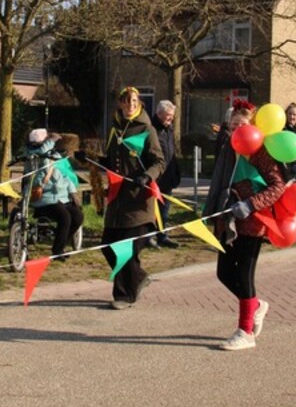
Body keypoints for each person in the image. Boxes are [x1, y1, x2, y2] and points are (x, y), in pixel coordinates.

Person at [203, 99, 285, 351]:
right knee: (224, 273)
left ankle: (245, 332)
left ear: (253, 127)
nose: (237, 130)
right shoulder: (228, 149)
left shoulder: (261, 152)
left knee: (244, 274)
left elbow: (278, 186)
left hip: (253, 221)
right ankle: (256, 305)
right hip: (228, 220)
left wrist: (251, 204)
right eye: (233, 126)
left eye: (242, 125)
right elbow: (219, 182)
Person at [94, 87, 165, 310]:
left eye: (134, 101)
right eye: (126, 101)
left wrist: (147, 176)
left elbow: (159, 162)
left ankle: (125, 295)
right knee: (108, 246)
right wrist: (90, 159)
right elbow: (112, 162)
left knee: (126, 250)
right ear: (121, 104)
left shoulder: (147, 129)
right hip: (117, 200)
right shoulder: (115, 129)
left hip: (138, 200)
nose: (130, 104)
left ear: (139, 103)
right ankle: (139, 276)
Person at [24, 128, 84, 256]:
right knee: (65, 217)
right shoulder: (33, 157)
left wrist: (73, 193)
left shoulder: (54, 155)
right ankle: (58, 251)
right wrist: (51, 140)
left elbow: (65, 176)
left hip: (61, 197)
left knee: (78, 216)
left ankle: (61, 241)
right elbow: (41, 152)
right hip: (44, 198)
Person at [151, 100, 181, 248]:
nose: (171, 118)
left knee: (164, 209)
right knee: (151, 208)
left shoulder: (168, 129)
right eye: (168, 115)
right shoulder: (151, 129)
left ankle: (162, 236)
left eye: (172, 115)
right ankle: (148, 237)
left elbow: (171, 151)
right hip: (155, 176)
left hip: (168, 177)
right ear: (159, 114)